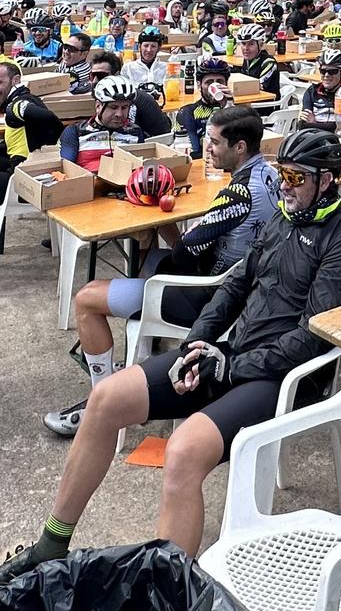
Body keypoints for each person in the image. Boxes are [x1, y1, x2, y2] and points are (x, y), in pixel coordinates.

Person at [0, 128, 341, 589]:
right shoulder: (283, 218)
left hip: (288, 380)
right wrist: (197, 343)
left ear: (327, 182)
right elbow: (236, 286)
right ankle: (51, 544)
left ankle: (164, 596)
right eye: (281, 173)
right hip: (235, 355)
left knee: (182, 452)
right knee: (106, 400)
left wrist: (230, 366)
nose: (284, 184)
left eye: (296, 177)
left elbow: (312, 339)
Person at [44, 105, 279, 437]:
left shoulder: (237, 196)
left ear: (239, 147)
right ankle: (135, 366)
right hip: (244, 289)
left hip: (210, 297)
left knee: (86, 299)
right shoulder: (270, 174)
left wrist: (163, 219)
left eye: (213, 142)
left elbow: (184, 253)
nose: (207, 149)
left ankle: (101, 401)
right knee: (151, 254)